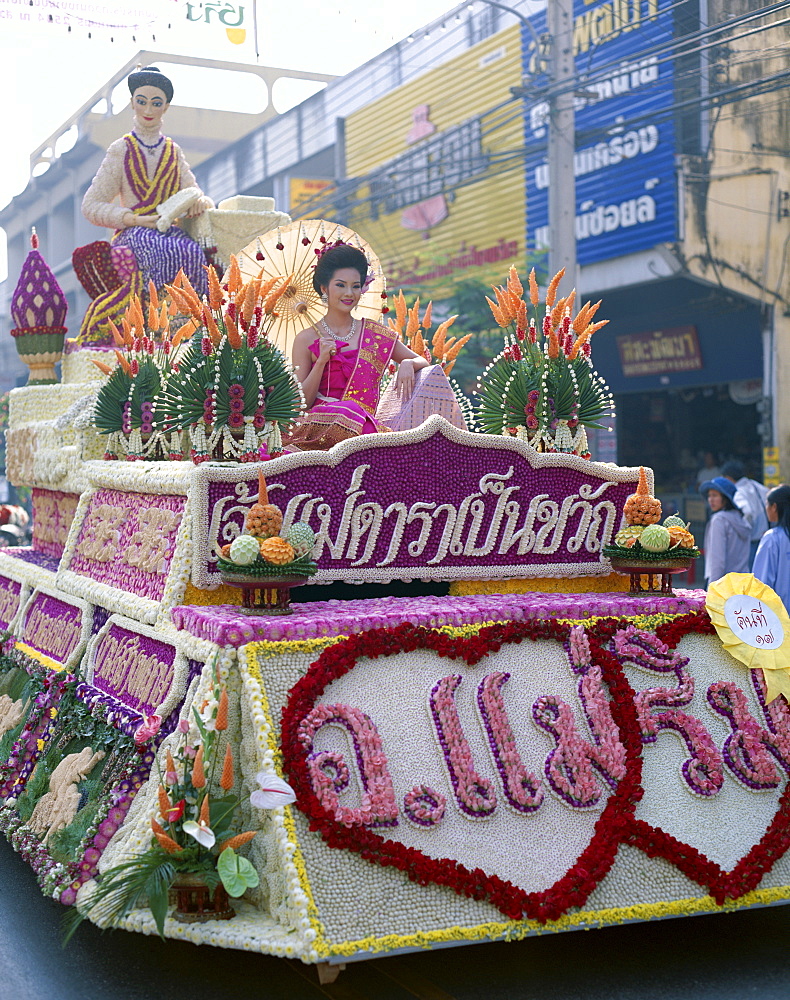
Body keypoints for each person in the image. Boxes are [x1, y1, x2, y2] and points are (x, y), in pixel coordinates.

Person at [77, 65, 213, 344]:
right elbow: (91, 205)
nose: (148, 109)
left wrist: (198, 202)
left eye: (156, 103)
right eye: (142, 102)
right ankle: (153, 330)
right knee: (156, 250)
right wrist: (132, 219)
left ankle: (193, 330)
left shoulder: (172, 151)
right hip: (133, 232)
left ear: (166, 108)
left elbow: (197, 193)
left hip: (169, 230)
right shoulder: (121, 149)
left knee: (193, 252)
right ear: (132, 103)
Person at [284, 242, 430, 451]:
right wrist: (321, 361)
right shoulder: (305, 339)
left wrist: (407, 363)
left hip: (363, 428)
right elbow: (302, 403)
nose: (349, 293)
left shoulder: (374, 334)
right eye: (341, 285)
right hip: (319, 431)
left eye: (355, 286)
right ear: (325, 288)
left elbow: (422, 360)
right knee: (347, 409)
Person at [699, 475, 750, 586]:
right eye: (709, 495)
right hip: (743, 583)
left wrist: (712, 589)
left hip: (723, 585)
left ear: (725, 499)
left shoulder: (719, 520)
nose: (710, 499)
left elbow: (718, 561)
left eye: (715, 495)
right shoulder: (740, 518)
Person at [720, 459, 770, 567]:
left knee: (750, 578)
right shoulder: (756, 486)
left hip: (751, 542)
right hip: (765, 538)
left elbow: (747, 512)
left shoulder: (738, 492)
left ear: (728, 477)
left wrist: (743, 532)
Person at [752, 483, 790, 611]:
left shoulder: (772, 537)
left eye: (767, 504)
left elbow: (762, 583)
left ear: (774, 507)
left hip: (780, 617)